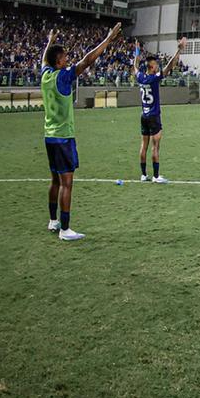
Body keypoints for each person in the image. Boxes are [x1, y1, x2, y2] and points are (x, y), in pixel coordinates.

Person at [41, 23, 122, 241]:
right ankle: (65, 230)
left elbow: (44, 60)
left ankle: (52, 221)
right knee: (67, 183)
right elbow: (87, 60)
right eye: (65, 57)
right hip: (64, 137)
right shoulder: (62, 76)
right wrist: (108, 39)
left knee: (55, 181)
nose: (67, 59)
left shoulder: (46, 74)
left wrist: (50, 40)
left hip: (49, 136)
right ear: (59, 61)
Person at [135, 38, 186, 183]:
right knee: (155, 146)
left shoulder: (140, 77)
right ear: (151, 67)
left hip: (143, 115)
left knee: (143, 146)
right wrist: (179, 49)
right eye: (156, 65)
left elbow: (135, 65)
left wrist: (137, 51)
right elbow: (170, 66)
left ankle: (143, 175)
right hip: (154, 116)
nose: (157, 67)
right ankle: (156, 176)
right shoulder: (153, 78)